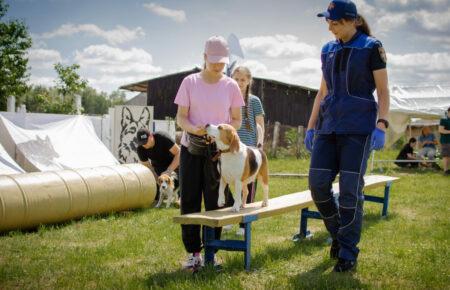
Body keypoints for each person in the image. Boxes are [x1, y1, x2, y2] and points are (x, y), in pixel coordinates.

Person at [304, 0, 390, 272]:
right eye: (328, 21)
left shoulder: (371, 47)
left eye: (335, 22)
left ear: (352, 21)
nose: (330, 27)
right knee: (317, 185)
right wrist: (311, 126)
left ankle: (347, 253)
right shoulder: (327, 50)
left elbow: (384, 91)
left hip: (358, 128)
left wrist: (382, 124)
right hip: (328, 127)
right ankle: (340, 234)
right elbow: (323, 92)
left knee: (351, 192)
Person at [174, 35, 244, 270]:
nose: (217, 66)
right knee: (191, 200)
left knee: (216, 200)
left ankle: (212, 251)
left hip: (219, 151)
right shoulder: (189, 82)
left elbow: (237, 120)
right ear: (204, 57)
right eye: (213, 61)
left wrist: (221, 132)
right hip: (191, 148)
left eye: (221, 62)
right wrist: (193, 128)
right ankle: (194, 254)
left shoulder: (231, 85)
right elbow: (180, 117)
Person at [231, 66, 265, 236]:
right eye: (236, 79)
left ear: (249, 81)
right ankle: (230, 218)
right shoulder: (227, 99)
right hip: (233, 150)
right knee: (230, 182)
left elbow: (260, 124)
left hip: (250, 148)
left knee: (248, 186)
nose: (239, 83)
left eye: (243, 80)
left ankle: (244, 224)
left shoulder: (254, 101)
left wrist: (260, 146)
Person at [135, 128, 180, 200]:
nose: (144, 145)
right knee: (156, 196)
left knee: (181, 185)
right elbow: (148, 167)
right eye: (142, 143)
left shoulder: (163, 137)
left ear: (151, 136)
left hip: (174, 163)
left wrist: (169, 170)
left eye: (145, 142)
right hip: (158, 168)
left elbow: (179, 153)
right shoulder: (140, 149)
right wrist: (157, 180)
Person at [438, 107, 450, 175]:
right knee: (446, 156)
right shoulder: (443, 119)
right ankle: (445, 170)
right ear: (449, 112)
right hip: (445, 141)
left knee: (449, 156)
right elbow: (440, 130)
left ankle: (448, 170)